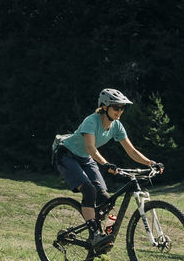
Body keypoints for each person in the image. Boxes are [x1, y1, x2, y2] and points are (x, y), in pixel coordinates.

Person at [51, 88, 162, 250]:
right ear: (104, 107)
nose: (120, 111)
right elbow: (90, 148)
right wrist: (105, 164)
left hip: (85, 158)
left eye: (122, 108)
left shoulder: (117, 126)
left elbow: (132, 151)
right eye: (116, 107)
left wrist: (151, 163)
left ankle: (106, 238)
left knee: (105, 199)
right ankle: (95, 234)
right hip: (66, 155)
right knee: (89, 190)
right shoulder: (91, 121)